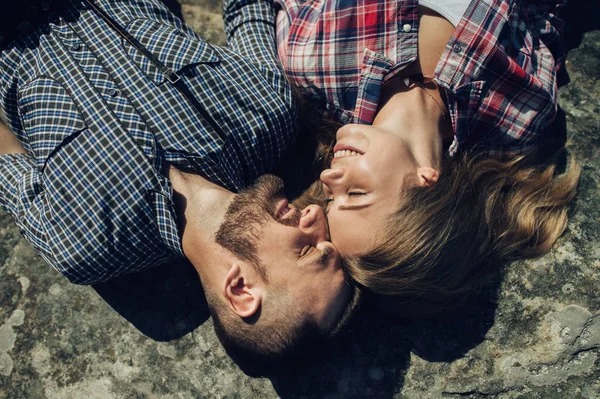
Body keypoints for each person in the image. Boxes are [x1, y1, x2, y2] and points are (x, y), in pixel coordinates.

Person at [0, 0, 357, 365]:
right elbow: (247, 8)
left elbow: (5, 159)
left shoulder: (82, 243)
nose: (314, 213)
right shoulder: (268, 112)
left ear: (241, 289)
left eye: (309, 250)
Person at [276, 0, 580, 314]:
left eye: (330, 199)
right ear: (427, 183)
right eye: (355, 193)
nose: (327, 178)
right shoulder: (519, 115)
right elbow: (545, 17)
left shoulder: (310, 66)